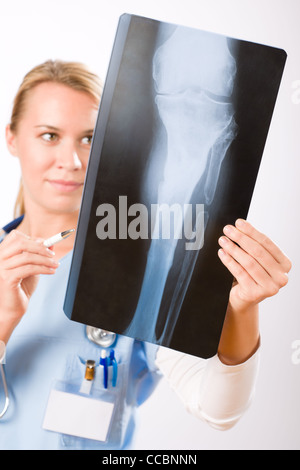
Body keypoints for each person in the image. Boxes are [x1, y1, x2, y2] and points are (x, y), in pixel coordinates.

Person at [0, 60, 291, 450]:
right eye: (49, 135)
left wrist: (242, 307)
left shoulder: (144, 268)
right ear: (13, 139)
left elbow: (218, 409)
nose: (71, 161)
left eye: (90, 138)